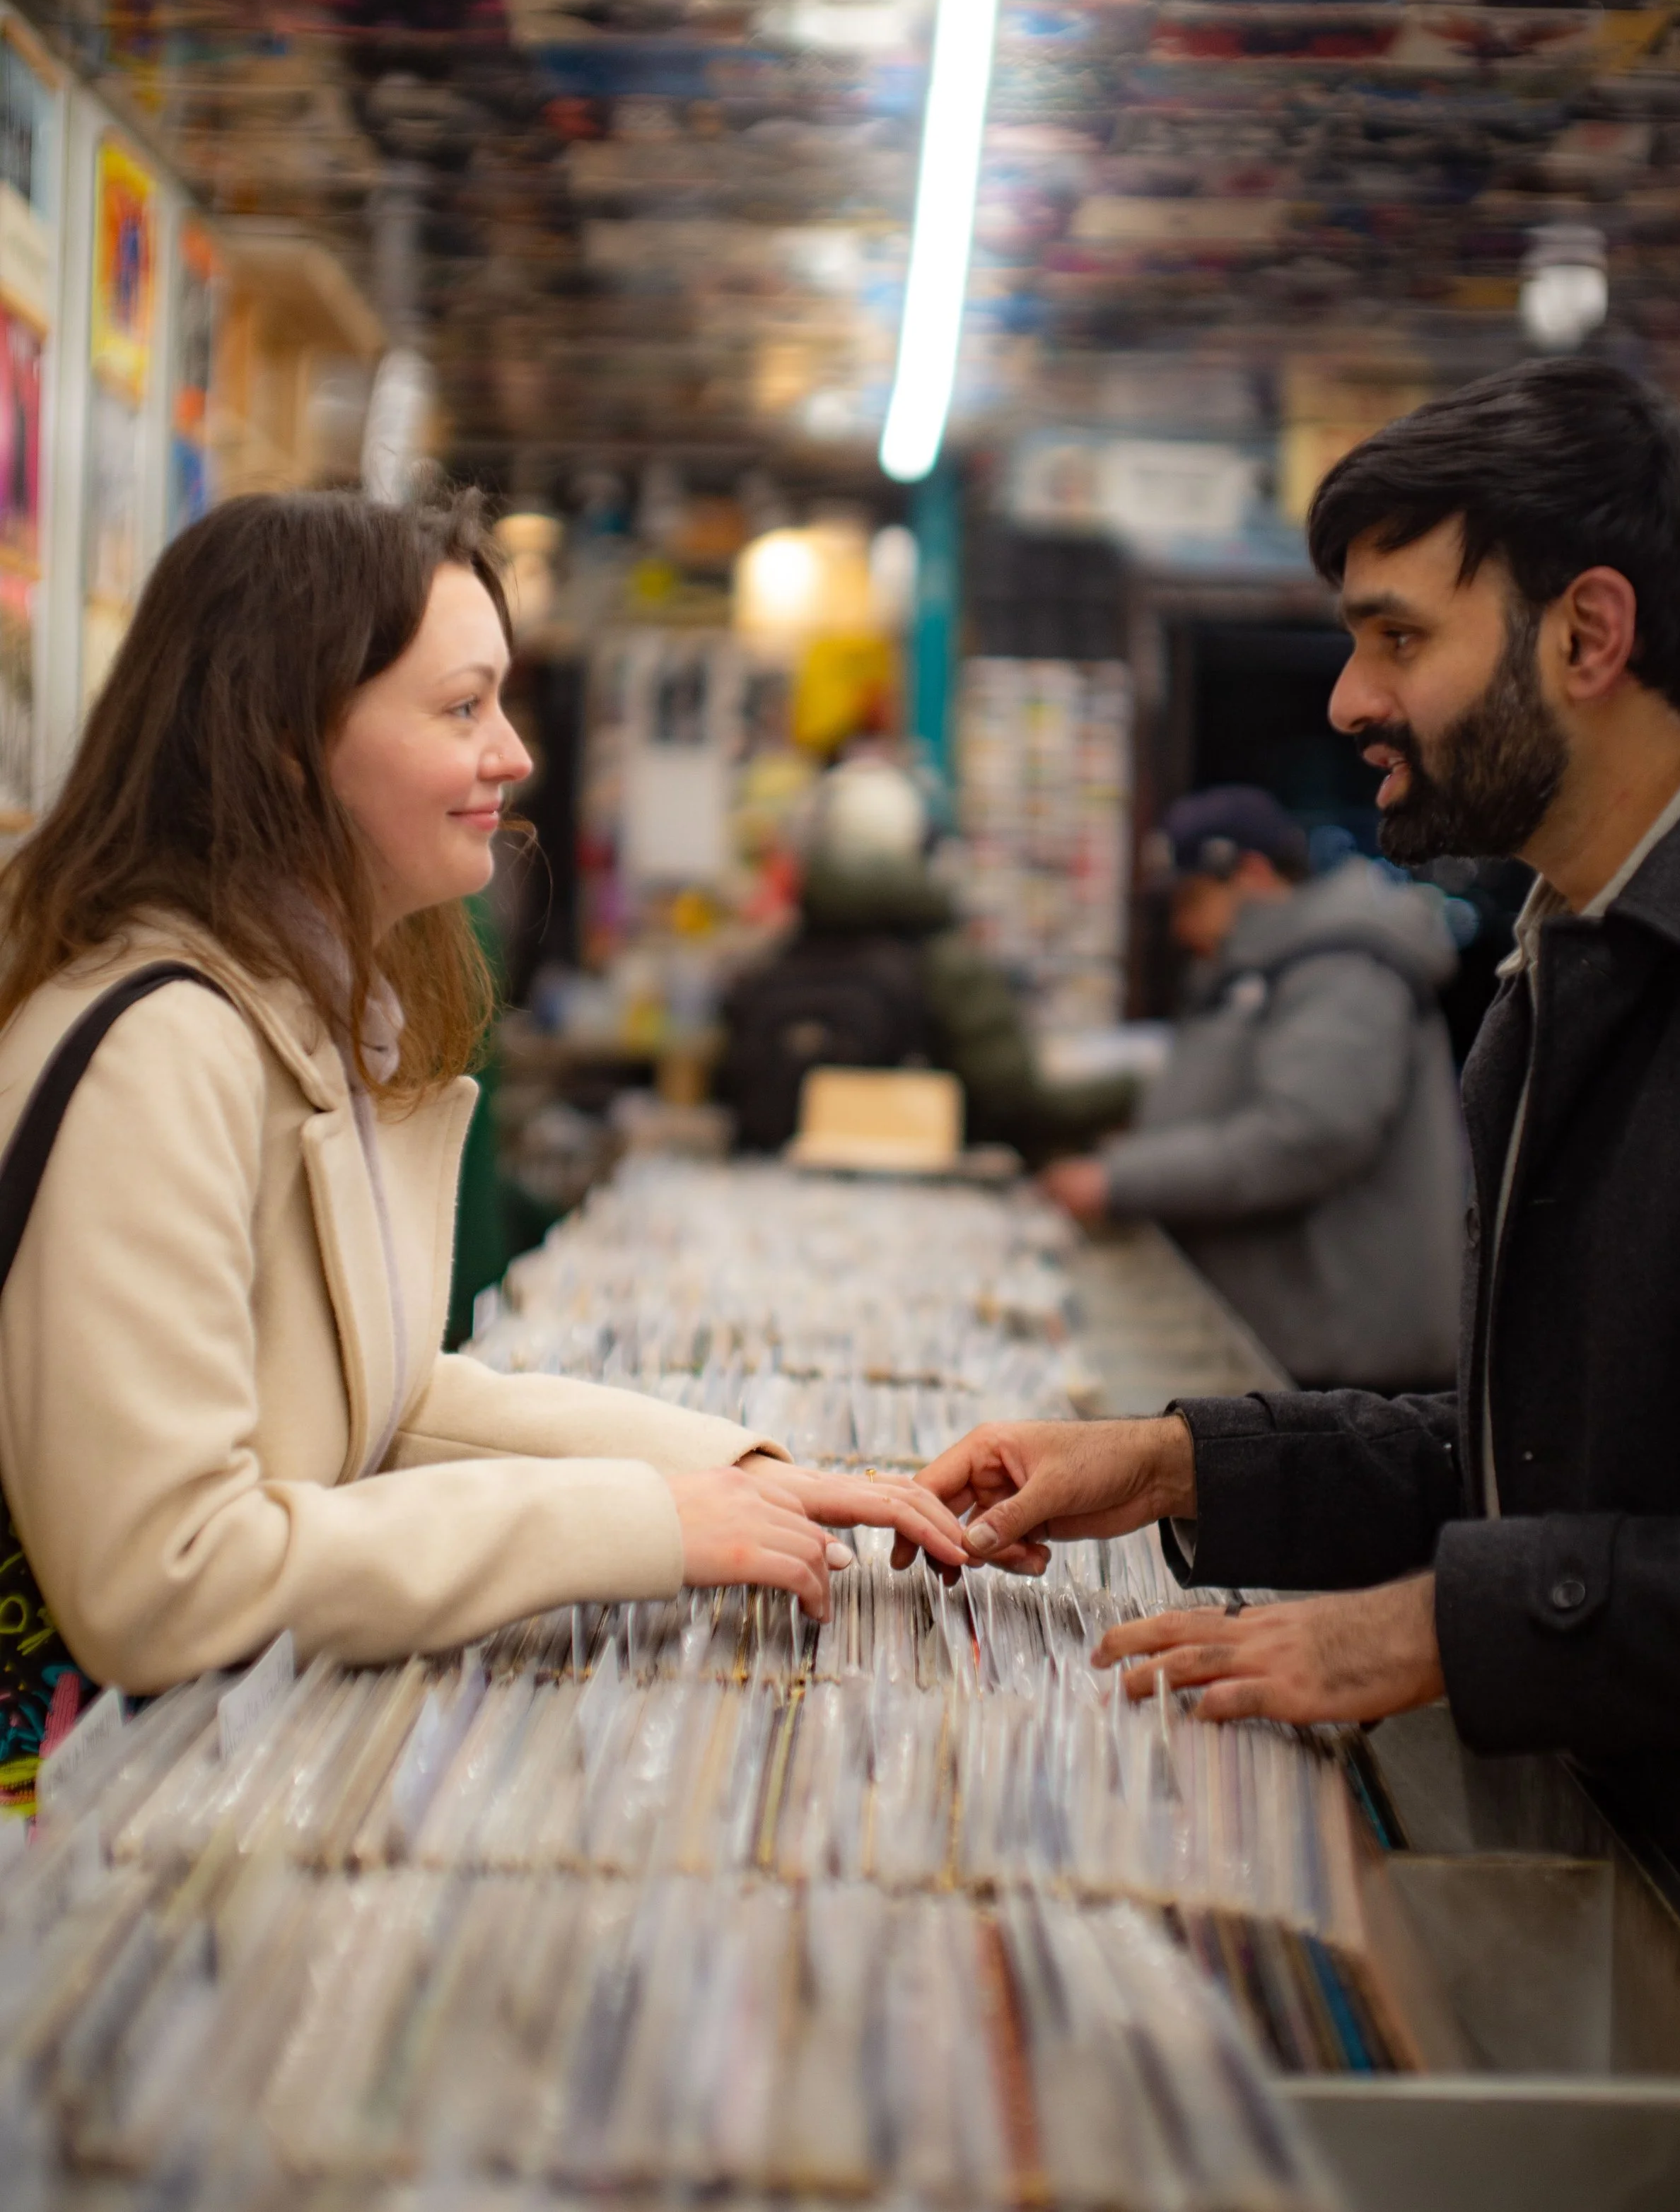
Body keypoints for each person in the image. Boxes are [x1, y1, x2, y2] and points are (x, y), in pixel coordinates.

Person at [917, 360, 1680, 1976]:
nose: (1346, 702)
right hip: (1633, 1895)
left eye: (1399, 637)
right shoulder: (1561, 962)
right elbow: (1558, 1459)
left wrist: (1447, 1620)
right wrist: (1177, 1463)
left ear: (1588, 636)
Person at [0, 492, 967, 1727]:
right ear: (287, 739)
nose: (513, 754)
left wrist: (739, 1474)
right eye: (463, 707)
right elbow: (164, 1578)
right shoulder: (165, 1043)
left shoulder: (305, 1005)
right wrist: (644, 1523)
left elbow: (381, 1411)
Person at [1042, 784, 1464, 1390]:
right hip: (1294, 1347)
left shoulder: (1343, 966)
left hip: (1344, 1366)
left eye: (1192, 900)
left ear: (1254, 873)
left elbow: (1309, 1135)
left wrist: (1121, 1180)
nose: (1183, 928)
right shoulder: (1262, 966)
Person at [722, 756, 1136, 1156]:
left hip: (775, 1183)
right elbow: (1015, 1102)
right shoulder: (947, 964)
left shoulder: (780, 956)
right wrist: (1136, 1090)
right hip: (926, 1189)